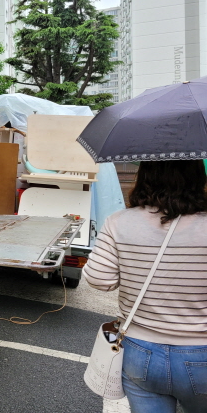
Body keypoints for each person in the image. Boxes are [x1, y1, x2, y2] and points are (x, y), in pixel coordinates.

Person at [82, 160, 207, 413]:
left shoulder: (119, 222)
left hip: (140, 351)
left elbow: (98, 278)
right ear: (197, 177)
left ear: (145, 176)